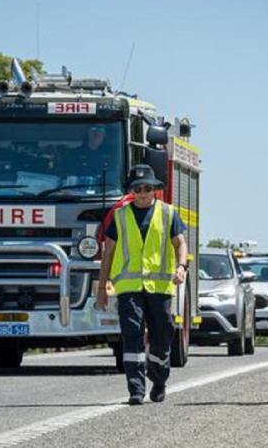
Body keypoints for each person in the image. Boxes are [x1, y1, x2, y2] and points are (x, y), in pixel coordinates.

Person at [96, 165, 188, 405]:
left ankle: (158, 380)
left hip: (160, 289)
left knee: (162, 336)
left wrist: (181, 267)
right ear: (132, 191)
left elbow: (180, 244)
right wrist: (101, 288)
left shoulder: (168, 213)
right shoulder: (119, 216)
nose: (143, 192)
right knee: (132, 336)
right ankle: (135, 389)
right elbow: (108, 253)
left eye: (148, 188)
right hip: (129, 289)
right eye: (138, 188)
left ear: (155, 190)